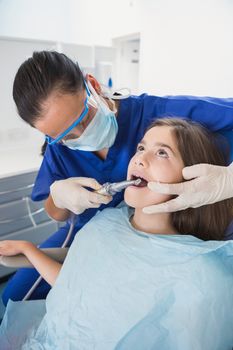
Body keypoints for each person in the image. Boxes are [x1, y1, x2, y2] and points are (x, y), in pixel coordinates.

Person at [3, 50, 233, 306]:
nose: (80, 136)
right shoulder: (58, 147)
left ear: (92, 85)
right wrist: (59, 195)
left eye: (84, 118)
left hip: (165, 239)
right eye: (64, 136)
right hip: (99, 235)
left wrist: (229, 179)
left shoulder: (161, 113)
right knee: (12, 299)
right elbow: (56, 213)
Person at [1, 118, 233, 349]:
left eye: (162, 153)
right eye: (141, 148)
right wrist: (28, 249)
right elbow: (73, 290)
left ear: (192, 180)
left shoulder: (202, 274)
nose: (140, 158)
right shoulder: (106, 224)